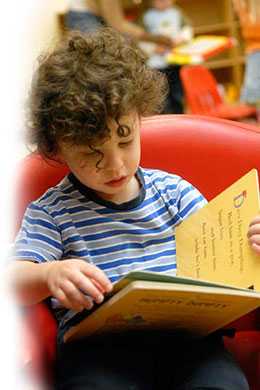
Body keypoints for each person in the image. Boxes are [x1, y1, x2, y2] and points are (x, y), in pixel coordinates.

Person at [9, 27, 259, 390]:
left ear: (139, 120)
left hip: (189, 342)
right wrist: (49, 275)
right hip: (100, 352)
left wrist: (250, 247)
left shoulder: (173, 192)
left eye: (125, 141)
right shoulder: (51, 212)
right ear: (57, 148)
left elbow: (227, 269)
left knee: (223, 384)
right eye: (91, 154)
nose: (116, 166)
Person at [141, 0, 193, 114]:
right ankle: (165, 120)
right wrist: (153, 48)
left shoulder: (176, 13)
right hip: (157, 65)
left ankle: (180, 116)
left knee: (178, 94)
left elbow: (187, 30)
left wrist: (181, 40)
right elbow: (141, 38)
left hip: (175, 61)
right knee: (161, 97)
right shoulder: (146, 17)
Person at [64, 0, 173, 47]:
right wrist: (152, 38)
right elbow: (116, 23)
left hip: (102, 12)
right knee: (98, 53)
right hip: (83, 14)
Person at [232, 0, 260, 121]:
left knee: (252, 89)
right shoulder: (240, 5)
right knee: (252, 89)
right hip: (252, 51)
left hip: (255, 51)